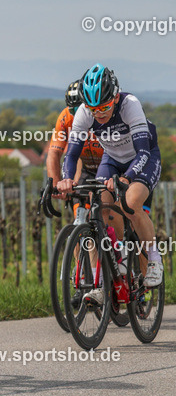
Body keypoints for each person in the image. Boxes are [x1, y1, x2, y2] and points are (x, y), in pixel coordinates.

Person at [56, 64, 163, 290]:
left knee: (130, 204)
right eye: (94, 109)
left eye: (104, 106)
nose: (99, 113)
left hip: (143, 158)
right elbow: (71, 153)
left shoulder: (129, 104)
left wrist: (128, 177)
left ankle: (154, 260)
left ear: (115, 97)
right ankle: (104, 275)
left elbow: (143, 151)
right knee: (99, 209)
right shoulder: (86, 112)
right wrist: (66, 178)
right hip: (112, 159)